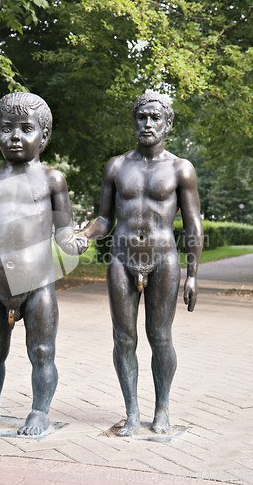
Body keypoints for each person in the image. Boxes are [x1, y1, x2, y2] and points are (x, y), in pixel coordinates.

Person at [73, 90, 203, 435]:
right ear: (134, 121)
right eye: (141, 117)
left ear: (168, 123)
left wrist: (193, 275)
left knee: (160, 336)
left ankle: (162, 409)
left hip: (163, 259)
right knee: (123, 338)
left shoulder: (180, 169)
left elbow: (193, 224)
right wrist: (83, 235)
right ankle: (131, 411)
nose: (147, 124)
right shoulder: (116, 166)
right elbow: (103, 220)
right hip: (121, 259)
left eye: (155, 118)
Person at [0, 92, 82, 436]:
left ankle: (40, 411)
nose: (15, 136)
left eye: (26, 128)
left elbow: (64, 229)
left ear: (44, 135)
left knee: (42, 351)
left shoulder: (52, 180)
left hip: (37, 283)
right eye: (6, 128)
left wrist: (75, 242)